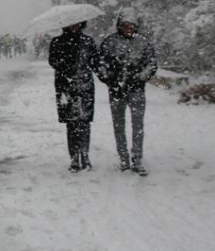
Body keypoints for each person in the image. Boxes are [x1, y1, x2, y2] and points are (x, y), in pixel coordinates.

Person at [96, 12, 157, 174]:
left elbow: (151, 65)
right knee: (119, 125)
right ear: (119, 25)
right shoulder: (110, 42)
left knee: (138, 126)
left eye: (132, 26)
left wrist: (139, 78)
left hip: (136, 90)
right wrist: (110, 80)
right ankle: (123, 157)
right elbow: (100, 64)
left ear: (136, 26)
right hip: (116, 91)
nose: (128, 28)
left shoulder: (143, 43)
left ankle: (137, 158)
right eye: (125, 25)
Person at [48, 21, 98, 172]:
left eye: (77, 23)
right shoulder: (57, 42)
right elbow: (53, 61)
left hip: (85, 85)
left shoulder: (87, 41)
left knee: (84, 121)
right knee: (71, 122)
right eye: (71, 23)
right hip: (65, 86)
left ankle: (85, 153)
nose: (74, 25)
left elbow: (95, 61)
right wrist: (67, 66)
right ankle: (74, 155)